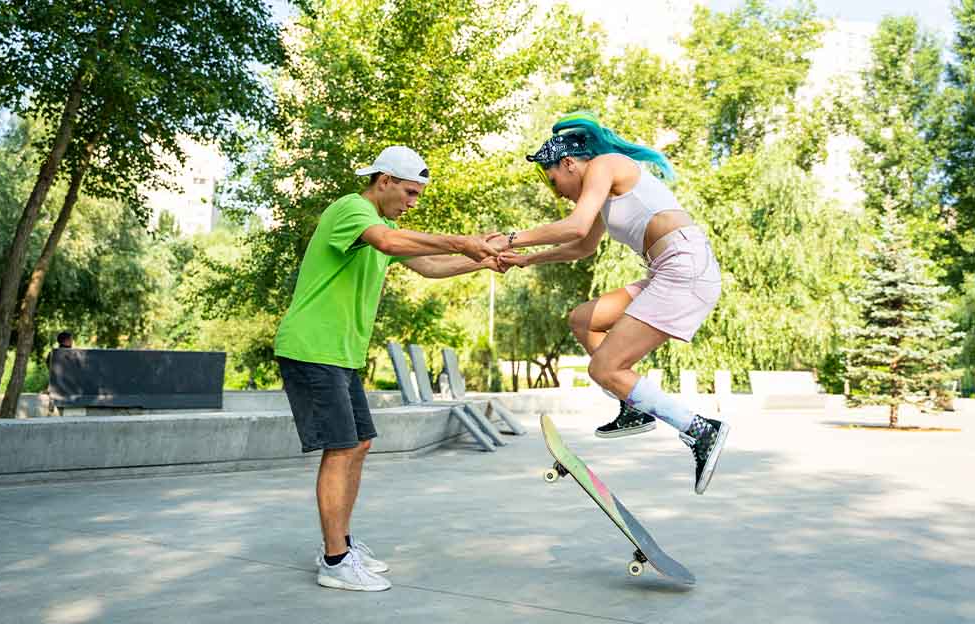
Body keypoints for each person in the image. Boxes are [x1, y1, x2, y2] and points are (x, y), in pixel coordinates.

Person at [274, 145, 504, 592]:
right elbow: (387, 242)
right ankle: (335, 560)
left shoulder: (385, 225)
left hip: (340, 353)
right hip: (311, 348)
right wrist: (462, 240)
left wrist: (483, 259)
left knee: (358, 443)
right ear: (383, 182)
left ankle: (340, 543)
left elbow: (431, 266)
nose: (413, 202)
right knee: (340, 449)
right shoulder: (351, 210)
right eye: (409, 192)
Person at [494, 112, 729, 495]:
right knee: (583, 320)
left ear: (569, 163)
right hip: (668, 270)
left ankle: (701, 430)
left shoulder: (606, 166)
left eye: (555, 183)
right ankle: (632, 404)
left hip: (685, 269)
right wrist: (526, 259)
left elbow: (575, 226)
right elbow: (583, 245)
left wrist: (510, 239)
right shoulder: (604, 194)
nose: (559, 194)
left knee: (604, 367)